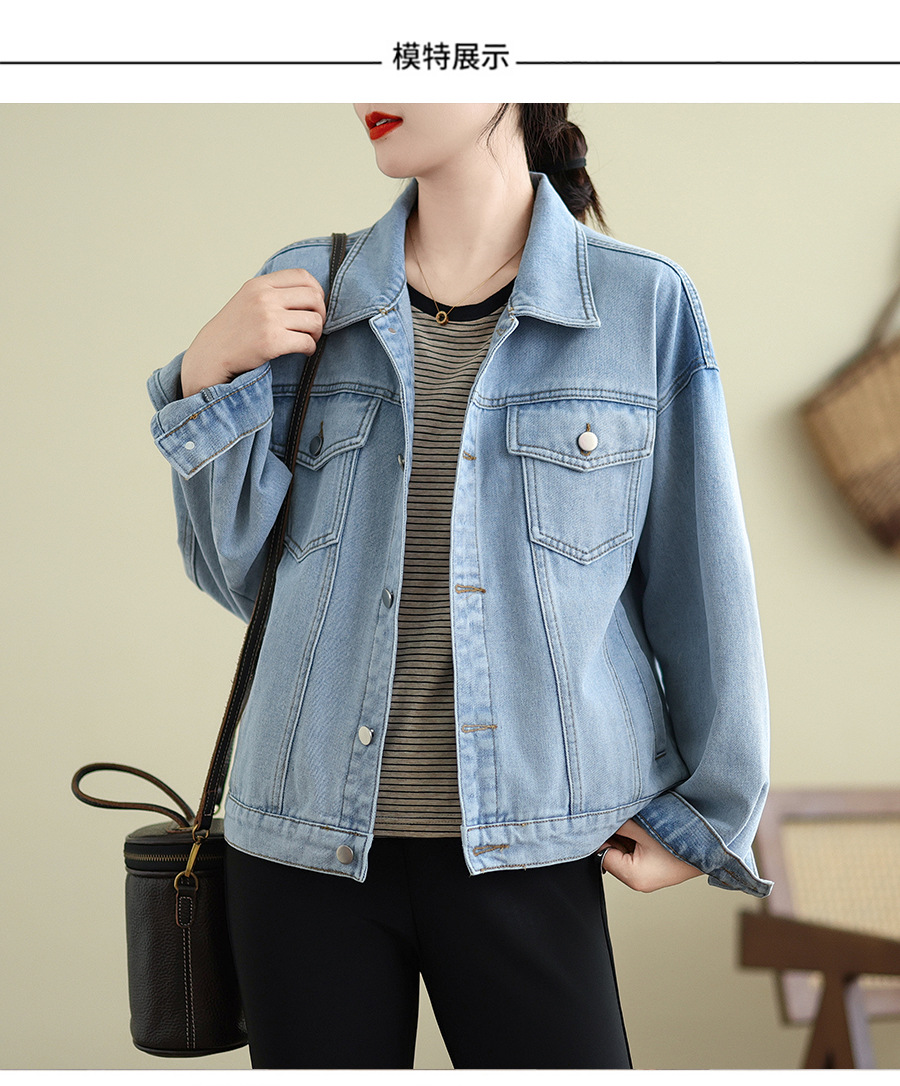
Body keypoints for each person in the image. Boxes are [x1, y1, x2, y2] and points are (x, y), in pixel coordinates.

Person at [147, 103, 771, 1070]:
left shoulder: (641, 304)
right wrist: (204, 377)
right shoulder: (306, 291)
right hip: (303, 845)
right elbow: (242, 580)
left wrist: (712, 812)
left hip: (529, 846)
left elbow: (703, 584)